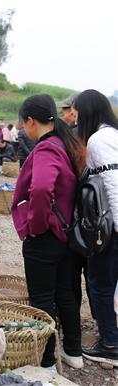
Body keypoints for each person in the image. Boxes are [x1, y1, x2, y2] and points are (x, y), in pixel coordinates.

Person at [11, 94, 86, 370]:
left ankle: (45, 360)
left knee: (42, 297)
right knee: (65, 292)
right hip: (66, 233)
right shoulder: (66, 143)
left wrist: (36, 226)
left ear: (31, 121)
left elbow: (41, 188)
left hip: (46, 236)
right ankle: (73, 352)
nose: (22, 129)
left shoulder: (46, 149)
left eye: (23, 123)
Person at [74, 89, 118, 365]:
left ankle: (111, 343)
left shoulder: (97, 140)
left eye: (77, 113)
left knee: (100, 283)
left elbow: (110, 187)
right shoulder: (114, 134)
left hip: (114, 225)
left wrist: (108, 227)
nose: (75, 118)